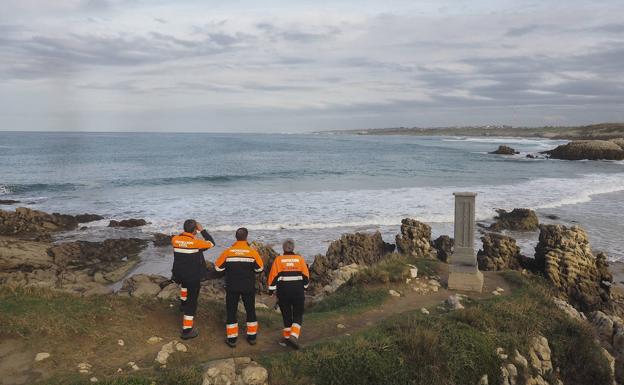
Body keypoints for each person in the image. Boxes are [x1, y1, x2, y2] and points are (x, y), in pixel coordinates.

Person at [215, 227, 264, 347]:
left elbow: (218, 268)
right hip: (248, 286)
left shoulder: (228, 251)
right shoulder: (252, 252)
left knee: (231, 311)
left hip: (232, 286)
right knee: (250, 310)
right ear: (246, 237)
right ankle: (252, 338)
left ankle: (232, 340)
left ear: (236, 237)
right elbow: (260, 269)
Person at [170, 219, 215, 340]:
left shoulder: (175, 240)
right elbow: (211, 243)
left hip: (179, 274)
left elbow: (180, 238)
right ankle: (187, 330)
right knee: (192, 303)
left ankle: (183, 305)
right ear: (195, 230)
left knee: (184, 287)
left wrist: (188, 232)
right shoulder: (197, 243)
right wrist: (203, 230)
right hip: (192, 276)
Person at [267, 239, 309, 349]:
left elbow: (272, 277)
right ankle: (294, 336)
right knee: (298, 314)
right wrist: (304, 288)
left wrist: (271, 291)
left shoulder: (278, 260)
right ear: (293, 248)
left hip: (283, 292)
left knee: (286, 316)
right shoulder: (300, 260)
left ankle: (287, 339)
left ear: (283, 248)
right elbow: (306, 277)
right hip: (298, 292)